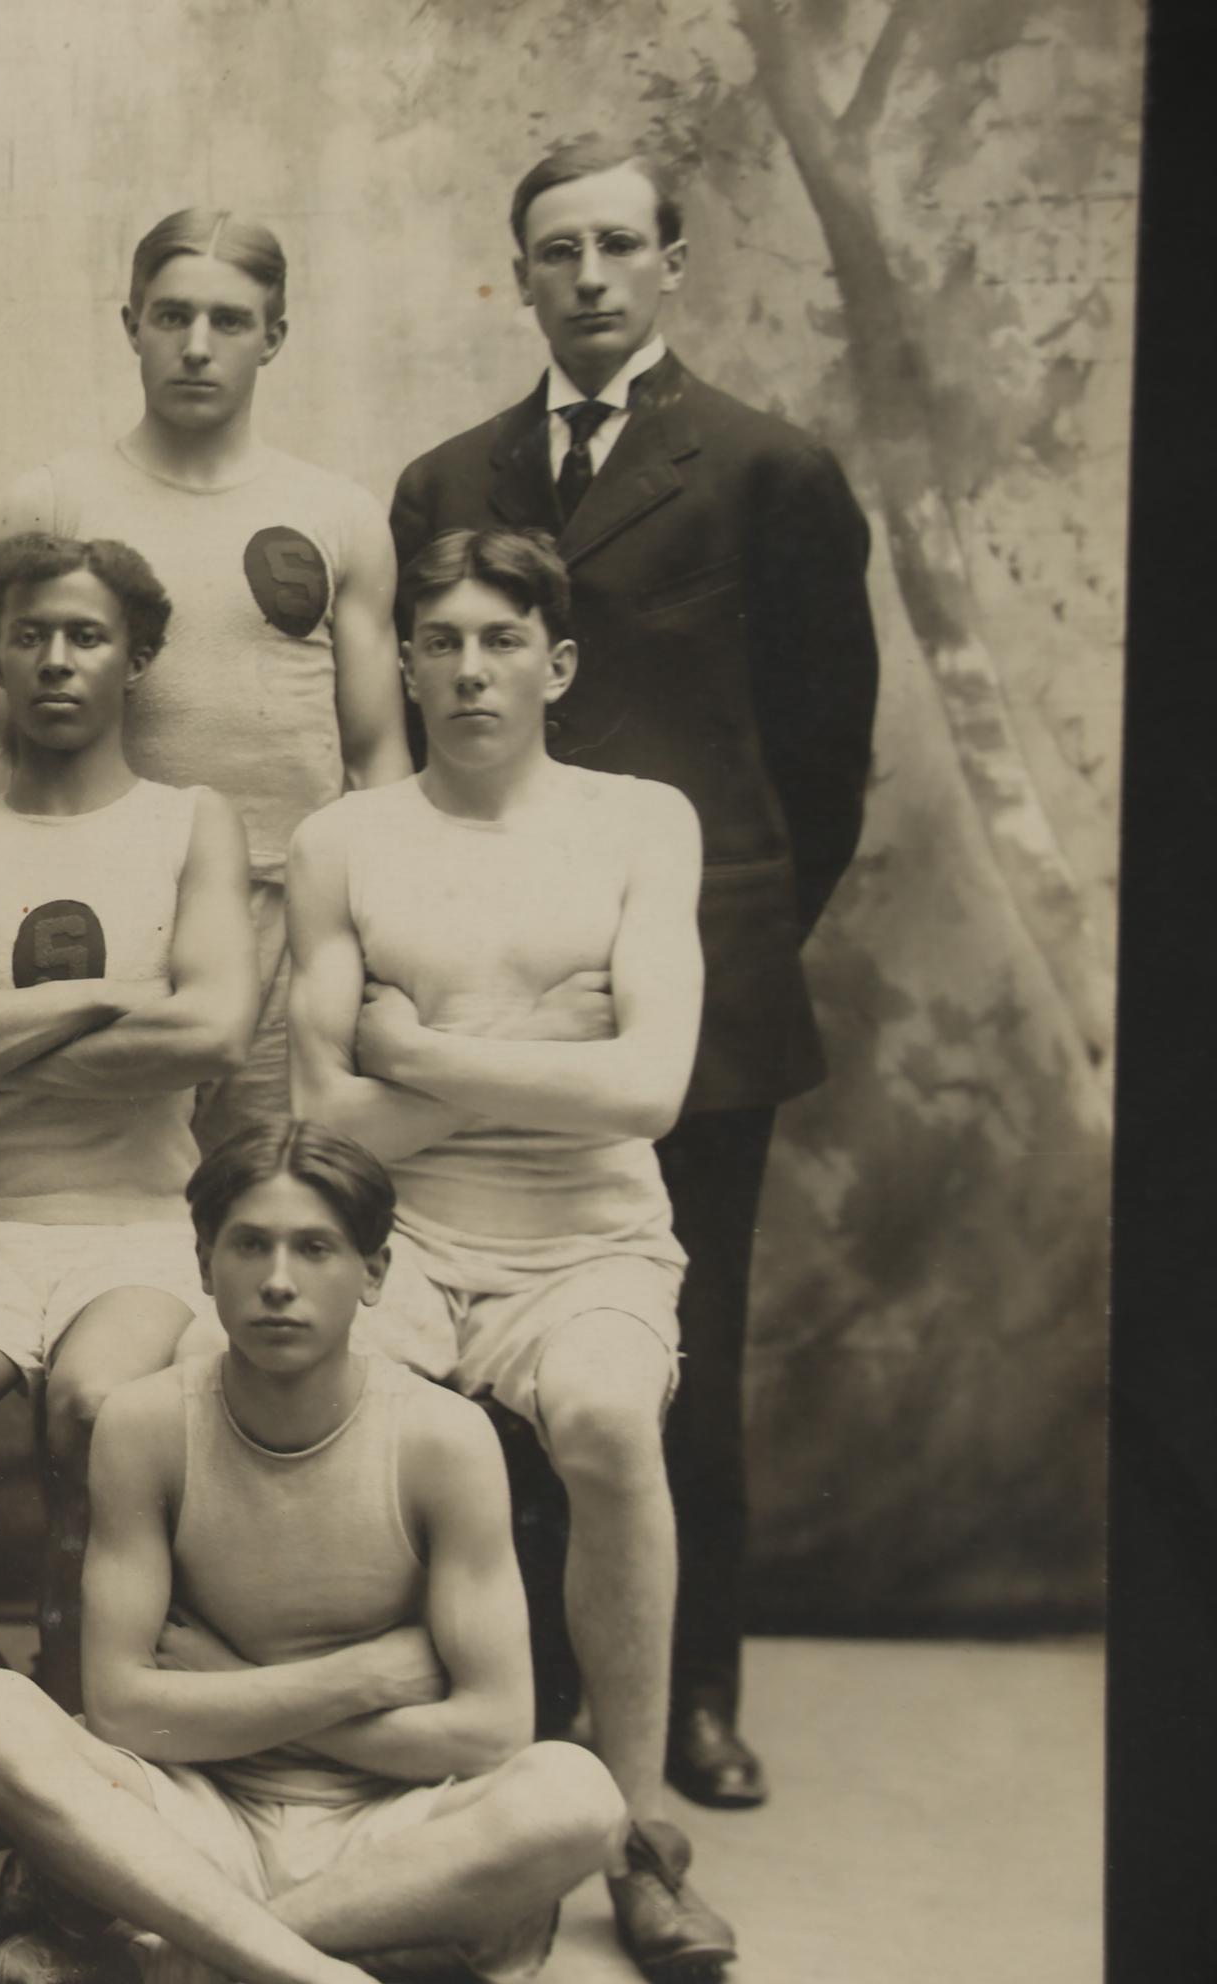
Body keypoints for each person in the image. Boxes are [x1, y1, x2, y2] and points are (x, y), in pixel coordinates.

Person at [390, 142, 878, 1825]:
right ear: (516, 276)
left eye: (618, 245)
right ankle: (515, 1682)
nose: (589, 276)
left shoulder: (768, 472)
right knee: (483, 1338)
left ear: (673, 259)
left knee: (675, 1352)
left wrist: (701, 936)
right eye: (555, 251)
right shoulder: (449, 478)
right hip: (479, 989)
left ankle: (688, 1705)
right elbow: (427, 750)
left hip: (697, 987)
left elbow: (824, 764)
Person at [285, 527, 730, 1977]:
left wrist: (422, 1046)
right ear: (403, 663)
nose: (470, 670)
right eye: (441, 643)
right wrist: (548, 1045)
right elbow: (326, 1119)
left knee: (605, 1421)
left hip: (588, 1242)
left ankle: (643, 1835)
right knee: (312, 1404)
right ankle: (415, 1814)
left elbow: (650, 1094)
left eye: (500, 641)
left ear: (559, 663)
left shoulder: (641, 820)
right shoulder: (345, 839)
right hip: (402, 1241)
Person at [0, 1121, 626, 1984]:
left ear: (373, 1273)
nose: (277, 1283)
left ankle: (192, 1954)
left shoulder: (443, 1439)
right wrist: (364, 1678)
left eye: (315, 1249)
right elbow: (121, 1710)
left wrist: (221, 1686)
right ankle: (316, 1967)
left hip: (388, 1829)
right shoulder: (146, 1425)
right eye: (249, 1246)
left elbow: (490, 1730)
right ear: (201, 1265)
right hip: (194, 1810)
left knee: (578, 1794)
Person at [0, 532, 254, 1742]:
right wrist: (105, 998)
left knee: (95, 1406)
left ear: (136, 660)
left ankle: (71, 1719)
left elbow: (217, 1029)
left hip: (134, 1225)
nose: (57, 661)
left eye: (86, 636)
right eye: (30, 637)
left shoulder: (192, 825)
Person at [0, 208, 407, 1158]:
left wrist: (385, 945)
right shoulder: (53, 500)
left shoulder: (337, 514)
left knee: (273, 1196)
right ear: (131, 325)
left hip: (289, 917)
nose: (197, 348)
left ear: (274, 337)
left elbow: (376, 754)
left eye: (229, 322)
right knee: (103, 1187)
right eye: (171, 318)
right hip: (105, 910)